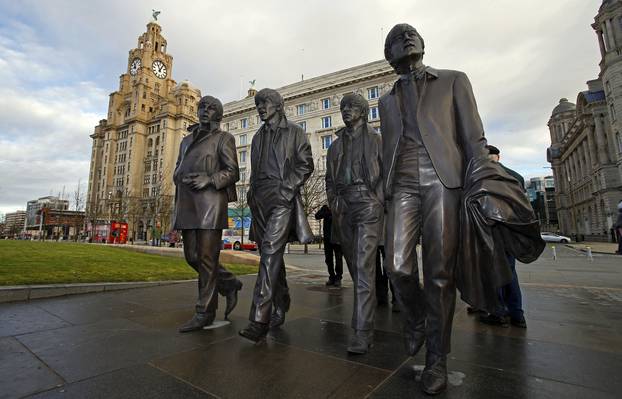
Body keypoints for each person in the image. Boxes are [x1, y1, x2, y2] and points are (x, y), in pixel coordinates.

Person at [380, 23, 488, 395]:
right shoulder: (385, 100)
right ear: (389, 55)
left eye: (411, 34)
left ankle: (437, 359)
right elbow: (387, 149)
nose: (406, 38)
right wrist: (384, 189)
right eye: (396, 38)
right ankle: (416, 319)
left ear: (423, 44)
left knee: (440, 272)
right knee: (396, 265)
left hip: (444, 182)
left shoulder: (454, 80)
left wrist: (483, 181)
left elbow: (474, 137)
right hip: (402, 186)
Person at [239, 88, 314, 343]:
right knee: (270, 255)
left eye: (265, 103)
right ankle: (282, 299)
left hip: (282, 196)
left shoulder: (295, 131)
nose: (260, 107)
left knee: (270, 251)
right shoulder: (258, 136)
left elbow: (306, 164)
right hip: (259, 199)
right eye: (258, 104)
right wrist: (251, 194)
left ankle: (259, 318)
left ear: (278, 105)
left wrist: (288, 187)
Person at [173, 95, 244, 333]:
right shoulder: (186, 140)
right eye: (202, 107)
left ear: (219, 114)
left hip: (210, 202)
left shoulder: (224, 138)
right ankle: (230, 283)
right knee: (192, 256)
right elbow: (177, 167)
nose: (205, 110)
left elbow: (233, 172)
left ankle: (205, 311)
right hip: (187, 202)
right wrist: (178, 176)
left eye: (211, 108)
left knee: (205, 258)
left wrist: (209, 179)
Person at [326, 93, 383, 354]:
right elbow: (329, 179)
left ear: (363, 111)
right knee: (354, 267)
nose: (345, 110)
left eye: (351, 107)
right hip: (343, 206)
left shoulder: (377, 140)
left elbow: (387, 173)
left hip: (368, 203)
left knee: (362, 265)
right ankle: (366, 318)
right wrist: (335, 201)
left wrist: (377, 199)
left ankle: (362, 331)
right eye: (342, 107)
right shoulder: (335, 146)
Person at [478, 145, 527, 328]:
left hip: (492, 228)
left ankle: (498, 312)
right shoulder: (516, 176)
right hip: (512, 229)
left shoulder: (484, 176)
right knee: (510, 271)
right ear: (499, 156)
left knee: (494, 270)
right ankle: (517, 314)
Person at [314, 204, 344, 286]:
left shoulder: (339, 206)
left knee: (338, 259)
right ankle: (332, 276)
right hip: (327, 238)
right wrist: (326, 211)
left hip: (337, 239)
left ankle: (338, 278)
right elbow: (317, 216)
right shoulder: (325, 208)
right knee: (328, 259)